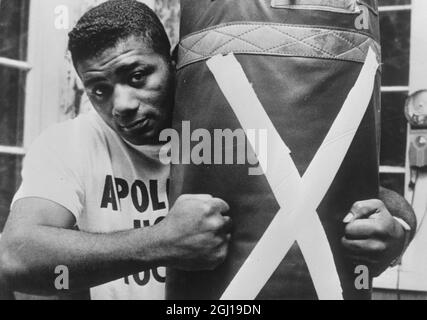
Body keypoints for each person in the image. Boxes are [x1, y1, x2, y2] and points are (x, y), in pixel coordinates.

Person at [0, 0, 232, 300]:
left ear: (174, 63)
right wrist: (161, 241)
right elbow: (13, 257)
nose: (121, 105)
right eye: (99, 89)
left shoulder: (224, 135)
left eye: (137, 76)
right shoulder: (70, 143)